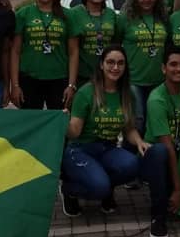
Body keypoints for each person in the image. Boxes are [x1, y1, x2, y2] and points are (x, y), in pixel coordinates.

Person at [61, 46, 149, 217]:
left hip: (107, 148)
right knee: (99, 187)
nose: (115, 67)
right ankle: (69, 190)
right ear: (101, 64)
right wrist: (64, 122)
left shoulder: (127, 94)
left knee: (133, 165)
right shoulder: (86, 92)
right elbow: (74, 133)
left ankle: (104, 186)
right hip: (80, 150)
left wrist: (139, 142)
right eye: (110, 62)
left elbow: (129, 128)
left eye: (120, 63)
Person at [142, 46, 180, 237]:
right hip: (156, 157)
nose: (178, 69)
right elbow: (168, 145)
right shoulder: (157, 99)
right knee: (160, 151)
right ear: (164, 68)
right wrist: (178, 189)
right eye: (173, 65)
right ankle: (158, 216)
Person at [10, 0, 80, 110]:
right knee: (31, 120)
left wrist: (71, 85)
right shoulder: (23, 14)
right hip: (29, 79)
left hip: (59, 79)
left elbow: (74, 52)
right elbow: (15, 51)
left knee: (59, 119)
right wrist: (15, 85)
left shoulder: (68, 15)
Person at [122, 0, 171, 130]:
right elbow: (116, 46)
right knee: (138, 121)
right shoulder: (126, 19)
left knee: (154, 121)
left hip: (158, 80)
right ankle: (132, 146)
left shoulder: (163, 18)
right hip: (134, 80)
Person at [68, 0, 122, 86]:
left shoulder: (111, 14)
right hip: (82, 76)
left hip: (107, 74)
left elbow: (115, 44)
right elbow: (73, 50)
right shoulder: (74, 13)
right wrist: (71, 84)